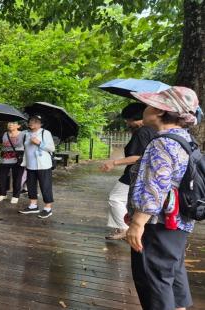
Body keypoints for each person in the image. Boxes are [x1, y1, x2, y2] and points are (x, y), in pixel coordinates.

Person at [126, 86, 199, 310]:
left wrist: (137, 223)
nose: (144, 109)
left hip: (158, 224)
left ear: (160, 111)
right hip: (178, 222)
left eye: (149, 104)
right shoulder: (184, 138)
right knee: (172, 272)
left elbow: (155, 186)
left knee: (154, 280)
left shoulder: (161, 143)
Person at [100, 103, 156, 240]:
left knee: (115, 198)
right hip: (146, 173)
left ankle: (125, 229)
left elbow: (138, 157)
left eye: (128, 119)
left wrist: (114, 162)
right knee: (128, 201)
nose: (127, 122)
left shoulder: (142, 132)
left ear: (135, 118)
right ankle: (124, 227)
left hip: (134, 173)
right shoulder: (152, 130)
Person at [19, 115, 55, 218]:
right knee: (31, 186)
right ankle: (33, 206)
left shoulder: (45, 133)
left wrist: (39, 143)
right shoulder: (26, 134)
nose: (32, 122)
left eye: (35, 121)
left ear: (41, 124)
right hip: (30, 165)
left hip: (43, 165)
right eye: (31, 120)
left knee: (45, 186)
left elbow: (52, 148)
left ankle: (48, 208)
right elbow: (24, 148)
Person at [0, 121, 26, 204]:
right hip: (5, 159)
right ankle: (2, 194)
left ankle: (15, 196)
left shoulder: (23, 135)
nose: (10, 124)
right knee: (2, 177)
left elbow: (28, 146)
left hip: (18, 160)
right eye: (9, 123)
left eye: (13, 123)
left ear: (18, 126)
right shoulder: (4, 134)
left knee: (17, 178)